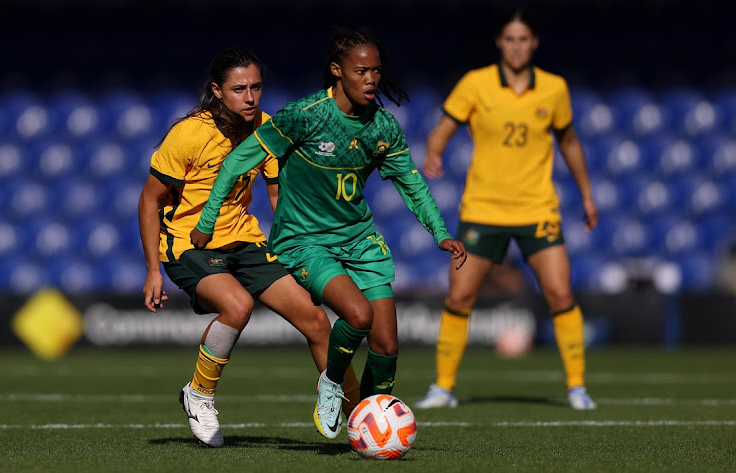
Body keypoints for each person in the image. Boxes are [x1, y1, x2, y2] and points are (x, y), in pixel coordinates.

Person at [190, 27, 467, 440]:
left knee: (387, 346)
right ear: (337, 71)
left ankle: (369, 429)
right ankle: (331, 383)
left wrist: (440, 233)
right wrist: (208, 220)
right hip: (305, 242)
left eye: (376, 70)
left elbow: (413, 184)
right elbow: (235, 164)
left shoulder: (383, 127)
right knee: (357, 315)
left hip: (359, 240)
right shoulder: (304, 116)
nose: (371, 79)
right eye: (361, 71)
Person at [138, 47, 359, 448]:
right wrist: (153, 270)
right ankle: (199, 394)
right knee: (237, 305)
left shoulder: (268, 128)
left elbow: (279, 200)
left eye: (256, 87)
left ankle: (360, 413)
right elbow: (149, 200)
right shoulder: (189, 134)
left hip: (247, 241)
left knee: (317, 321)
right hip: (190, 244)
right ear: (217, 91)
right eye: (239, 88)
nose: (250, 96)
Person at [414, 8, 599, 411]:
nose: (516, 46)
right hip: (483, 208)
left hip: (537, 208)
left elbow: (569, 142)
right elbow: (443, 128)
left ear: (534, 43)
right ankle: (443, 387)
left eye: (524, 39)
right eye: (509, 39)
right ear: (500, 42)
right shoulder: (476, 83)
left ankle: (577, 387)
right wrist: (434, 152)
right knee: (460, 296)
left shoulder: (553, 89)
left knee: (559, 293)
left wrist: (586, 193)